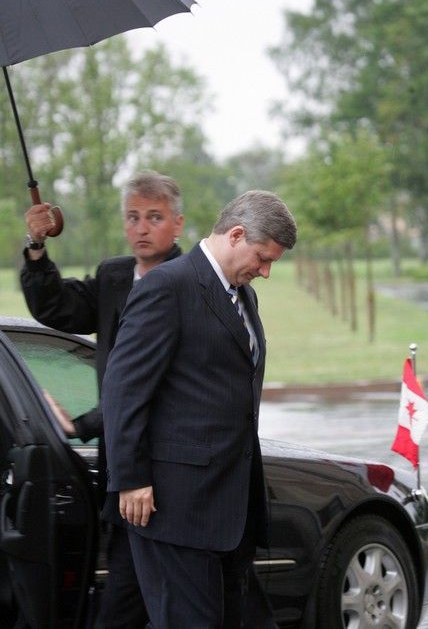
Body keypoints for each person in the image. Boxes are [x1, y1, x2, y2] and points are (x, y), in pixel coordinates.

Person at [101, 189, 297, 628]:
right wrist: (130, 479)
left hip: (229, 511)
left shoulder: (243, 295)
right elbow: (123, 389)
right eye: (263, 259)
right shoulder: (167, 287)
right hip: (174, 509)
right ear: (237, 234)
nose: (265, 272)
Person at [20, 170, 184, 629]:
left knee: (179, 600)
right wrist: (36, 245)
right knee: (125, 599)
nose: (141, 228)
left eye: (154, 217)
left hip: (172, 470)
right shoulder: (115, 276)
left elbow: (158, 385)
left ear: (178, 224)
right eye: (132, 217)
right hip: (121, 468)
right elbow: (58, 307)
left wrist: (86, 423)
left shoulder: (191, 282)